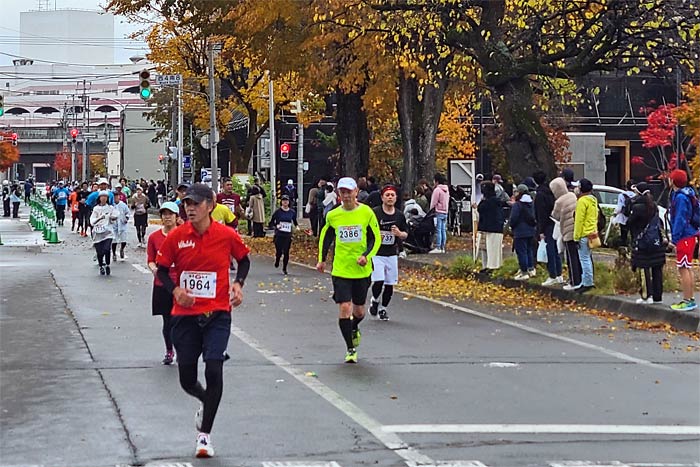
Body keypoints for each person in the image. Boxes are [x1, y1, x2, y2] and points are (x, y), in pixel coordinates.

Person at [155, 183, 251, 458]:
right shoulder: (176, 237)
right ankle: (204, 400)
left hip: (218, 313)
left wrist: (238, 284)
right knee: (187, 378)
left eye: (196, 203)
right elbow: (162, 271)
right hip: (184, 316)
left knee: (214, 369)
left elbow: (243, 261)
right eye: (187, 203)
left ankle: (204, 436)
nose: (190, 208)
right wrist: (175, 290)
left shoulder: (225, 235)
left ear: (211, 205)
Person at [317, 177, 381, 363]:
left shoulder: (366, 213)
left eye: (349, 192)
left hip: (361, 270)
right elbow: (325, 237)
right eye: (342, 192)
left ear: (356, 193)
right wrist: (321, 260)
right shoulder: (333, 215)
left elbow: (375, 239)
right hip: (341, 269)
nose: (345, 195)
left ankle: (354, 327)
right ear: (339, 194)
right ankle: (350, 348)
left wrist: (366, 256)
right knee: (345, 307)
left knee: (359, 312)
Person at [147, 202, 180, 365]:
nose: (167, 217)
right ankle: (169, 350)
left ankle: (183, 349)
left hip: (181, 285)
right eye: (164, 214)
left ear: (176, 217)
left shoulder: (184, 236)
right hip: (162, 284)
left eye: (170, 214)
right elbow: (150, 260)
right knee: (168, 320)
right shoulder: (154, 238)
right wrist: (154, 269)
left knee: (181, 320)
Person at [369, 185, 408, 321]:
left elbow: (405, 234)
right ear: (382, 198)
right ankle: (374, 300)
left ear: (396, 198)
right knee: (378, 280)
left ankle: (383, 309)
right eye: (387, 195)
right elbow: (367, 231)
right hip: (377, 253)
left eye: (392, 195)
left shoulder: (399, 215)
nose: (390, 197)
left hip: (391, 253)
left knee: (390, 284)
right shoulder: (375, 213)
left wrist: (399, 233)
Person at [627, 182, 666, 304]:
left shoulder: (637, 207)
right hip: (656, 241)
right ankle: (657, 297)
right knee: (657, 269)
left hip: (642, 242)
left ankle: (646, 295)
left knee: (643, 268)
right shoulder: (654, 206)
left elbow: (629, 223)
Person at [668, 169, 699, 311]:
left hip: (684, 236)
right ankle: (690, 298)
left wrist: (674, 239)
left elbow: (680, 219)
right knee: (687, 267)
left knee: (683, 268)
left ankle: (687, 300)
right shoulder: (687, 194)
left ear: (673, 181)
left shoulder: (680, 198)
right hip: (691, 234)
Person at [550, 177, 581, 291]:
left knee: (571, 257)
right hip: (577, 229)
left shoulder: (559, 202)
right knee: (578, 257)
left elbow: (555, 216)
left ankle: (574, 281)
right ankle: (580, 279)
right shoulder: (572, 195)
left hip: (568, 232)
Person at [533, 171, 563, 285]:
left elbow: (541, 214)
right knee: (555, 249)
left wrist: (540, 230)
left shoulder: (540, 194)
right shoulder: (551, 192)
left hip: (546, 224)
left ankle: (552, 274)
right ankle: (559, 274)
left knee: (550, 249)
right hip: (554, 222)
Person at [573, 178, 598, 293]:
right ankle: (587, 281)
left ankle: (587, 282)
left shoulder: (582, 201)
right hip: (592, 233)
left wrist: (576, 237)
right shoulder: (593, 200)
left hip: (583, 234)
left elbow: (579, 221)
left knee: (584, 259)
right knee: (587, 257)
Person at [510, 184, 537, 280]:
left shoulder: (517, 205)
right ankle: (531, 269)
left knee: (521, 252)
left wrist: (511, 227)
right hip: (531, 231)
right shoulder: (531, 203)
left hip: (520, 231)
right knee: (529, 250)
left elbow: (513, 218)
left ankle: (524, 271)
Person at [477, 181, 505, 271]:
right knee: (486, 248)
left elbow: (481, 208)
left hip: (491, 228)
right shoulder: (496, 201)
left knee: (491, 249)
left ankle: (491, 267)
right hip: (491, 228)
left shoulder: (489, 202)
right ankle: (487, 266)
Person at [269, 194, 298, 274]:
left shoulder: (292, 212)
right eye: (283, 200)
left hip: (287, 235)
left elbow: (295, 222)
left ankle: (284, 268)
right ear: (281, 202)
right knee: (279, 251)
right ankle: (277, 259)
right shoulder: (277, 212)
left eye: (286, 201)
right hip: (279, 234)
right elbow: (271, 223)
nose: (285, 202)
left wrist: (297, 227)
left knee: (286, 251)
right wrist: (276, 226)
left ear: (289, 202)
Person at [90, 191, 117, 276]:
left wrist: (113, 217)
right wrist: (99, 218)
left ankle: (108, 264)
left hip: (108, 232)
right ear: (99, 198)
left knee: (107, 249)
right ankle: (101, 265)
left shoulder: (111, 208)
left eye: (105, 197)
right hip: (98, 233)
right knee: (100, 252)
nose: (104, 198)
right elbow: (92, 221)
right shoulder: (96, 209)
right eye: (102, 197)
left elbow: (115, 216)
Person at [429, 173, 450, 253]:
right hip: (445, 212)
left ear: (436, 181)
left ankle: (438, 247)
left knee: (438, 230)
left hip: (438, 212)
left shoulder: (437, 190)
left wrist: (431, 210)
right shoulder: (446, 190)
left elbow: (433, 202)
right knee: (443, 230)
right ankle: (442, 247)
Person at [613, 179, 636, 246]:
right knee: (633, 234)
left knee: (624, 234)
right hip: (633, 217)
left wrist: (615, 213)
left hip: (623, 217)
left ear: (626, 187)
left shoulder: (621, 195)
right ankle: (633, 247)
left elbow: (619, 207)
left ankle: (624, 247)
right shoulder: (636, 196)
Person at [112, 195, 130, 261]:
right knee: (114, 240)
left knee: (124, 240)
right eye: (114, 197)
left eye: (117, 197)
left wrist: (126, 218)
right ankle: (114, 253)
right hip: (114, 225)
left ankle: (122, 249)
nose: (116, 198)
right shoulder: (111, 205)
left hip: (122, 224)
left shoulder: (123, 205)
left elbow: (127, 212)